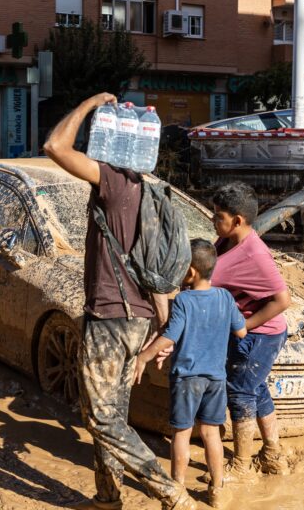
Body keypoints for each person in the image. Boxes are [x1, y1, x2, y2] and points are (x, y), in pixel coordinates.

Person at [44, 93, 195, 510]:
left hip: (110, 319)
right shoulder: (146, 191)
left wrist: (88, 103)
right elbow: (156, 272)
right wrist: (161, 329)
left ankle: (170, 493)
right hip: (137, 322)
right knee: (113, 416)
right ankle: (108, 498)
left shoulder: (113, 180)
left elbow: (55, 146)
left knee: (100, 418)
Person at [135, 239, 246, 509]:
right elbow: (241, 331)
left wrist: (143, 357)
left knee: (181, 434)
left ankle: (177, 490)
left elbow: (170, 336)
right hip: (216, 378)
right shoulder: (224, 297)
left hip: (186, 378)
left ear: (192, 271)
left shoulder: (184, 300)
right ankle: (217, 490)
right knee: (211, 434)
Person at [210, 182, 291, 481]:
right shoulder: (228, 241)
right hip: (252, 334)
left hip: (260, 336)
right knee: (256, 390)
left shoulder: (253, 253)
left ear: (238, 220)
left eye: (218, 216)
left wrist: (245, 325)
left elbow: (283, 300)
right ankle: (272, 455)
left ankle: (242, 465)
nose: (213, 221)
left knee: (240, 393)